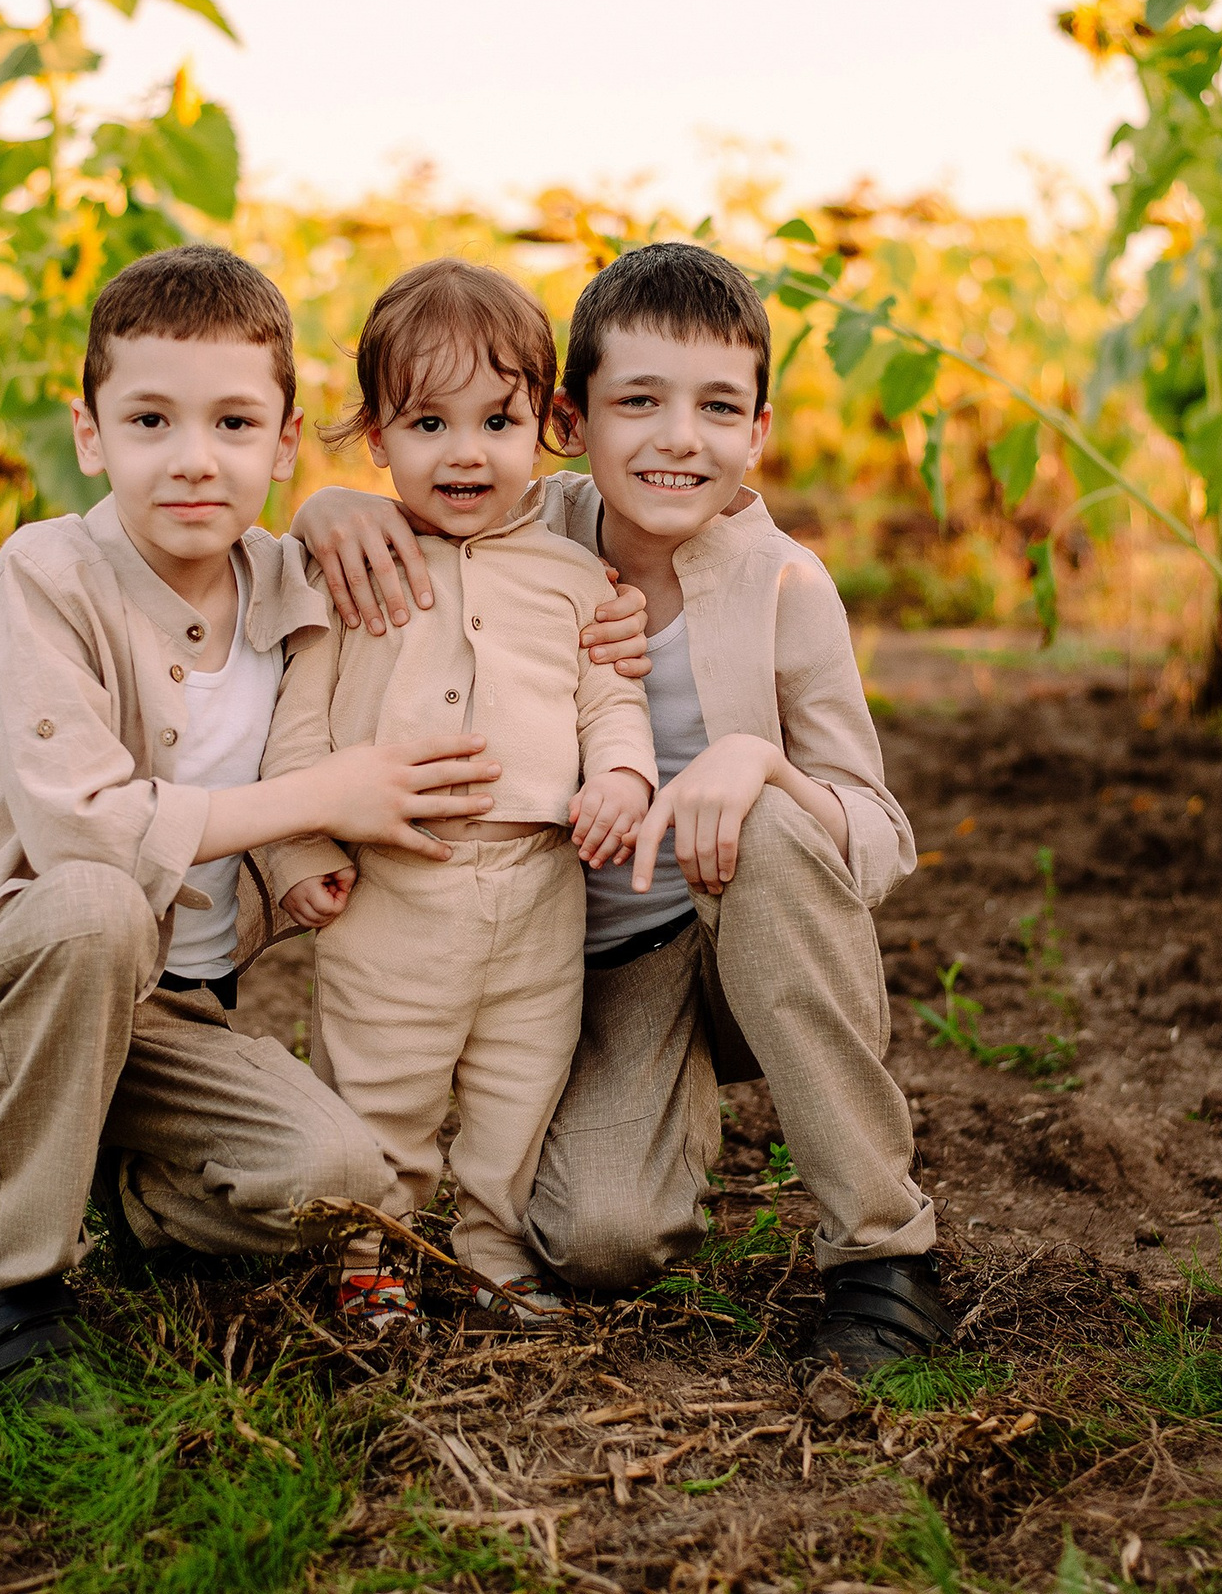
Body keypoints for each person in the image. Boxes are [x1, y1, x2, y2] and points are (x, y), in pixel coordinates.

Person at [0, 245, 650, 1387]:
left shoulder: (294, 576)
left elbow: (434, 543)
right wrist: (322, 803)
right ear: (88, 434)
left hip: (179, 1017)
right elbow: (89, 831)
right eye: (149, 422)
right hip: (23, 986)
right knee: (97, 906)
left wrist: (349, 501)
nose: (194, 460)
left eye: (235, 425)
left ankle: (139, 1188)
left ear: (285, 439)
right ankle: (19, 1283)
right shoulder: (41, 577)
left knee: (341, 1179)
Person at [290, 242, 948, 1378]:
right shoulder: (520, 523)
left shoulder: (786, 584)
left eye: (716, 406)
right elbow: (419, 475)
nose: (676, 437)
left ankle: (883, 1250)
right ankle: (621, 1131)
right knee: (600, 1235)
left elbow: (880, 834)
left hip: (757, 922)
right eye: (637, 400)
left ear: (759, 428)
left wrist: (756, 762)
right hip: (595, 959)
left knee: (776, 816)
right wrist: (329, 508)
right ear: (569, 415)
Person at [259, 261, 657, 1335]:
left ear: (544, 426)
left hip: (537, 885)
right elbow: (297, 724)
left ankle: (487, 1243)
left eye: (497, 419)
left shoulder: (574, 576)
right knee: (381, 1077)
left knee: (515, 1078)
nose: (465, 450)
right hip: (394, 881)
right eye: (428, 422)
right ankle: (376, 1250)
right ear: (378, 439)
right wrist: (294, 855)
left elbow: (609, 697)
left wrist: (620, 773)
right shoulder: (355, 570)